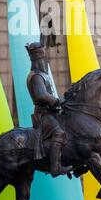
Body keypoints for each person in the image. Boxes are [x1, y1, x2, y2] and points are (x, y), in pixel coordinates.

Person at [26, 42, 72, 177]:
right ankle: (55, 167)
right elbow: (42, 95)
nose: (44, 61)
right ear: (38, 60)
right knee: (59, 133)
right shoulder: (35, 76)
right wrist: (56, 101)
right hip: (43, 115)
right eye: (42, 59)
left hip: (51, 112)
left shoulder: (42, 75)